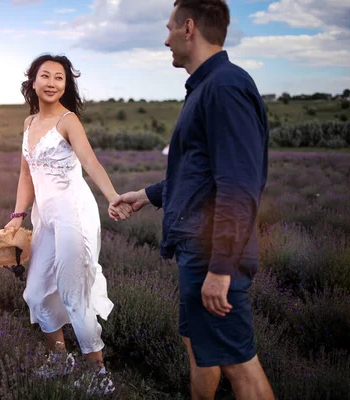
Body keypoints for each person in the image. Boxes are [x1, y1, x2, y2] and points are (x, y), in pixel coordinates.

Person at [111, 1, 275, 399]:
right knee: (199, 349)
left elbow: (238, 187)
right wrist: (148, 196)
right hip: (198, 252)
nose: (165, 39)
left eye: (169, 29)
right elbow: (198, 175)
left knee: (238, 362)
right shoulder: (207, 87)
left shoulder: (225, 88)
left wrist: (220, 270)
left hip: (213, 256)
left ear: (189, 28)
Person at [5, 53, 131, 393]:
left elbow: (90, 162)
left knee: (75, 294)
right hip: (45, 219)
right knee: (35, 293)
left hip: (74, 215)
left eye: (59, 78)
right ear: (33, 82)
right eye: (44, 76)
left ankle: (99, 373)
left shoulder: (68, 120)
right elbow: (25, 175)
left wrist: (113, 196)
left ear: (65, 85)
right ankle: (61, 359)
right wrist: (17, 217)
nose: (51, 83)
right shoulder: (29, 123)